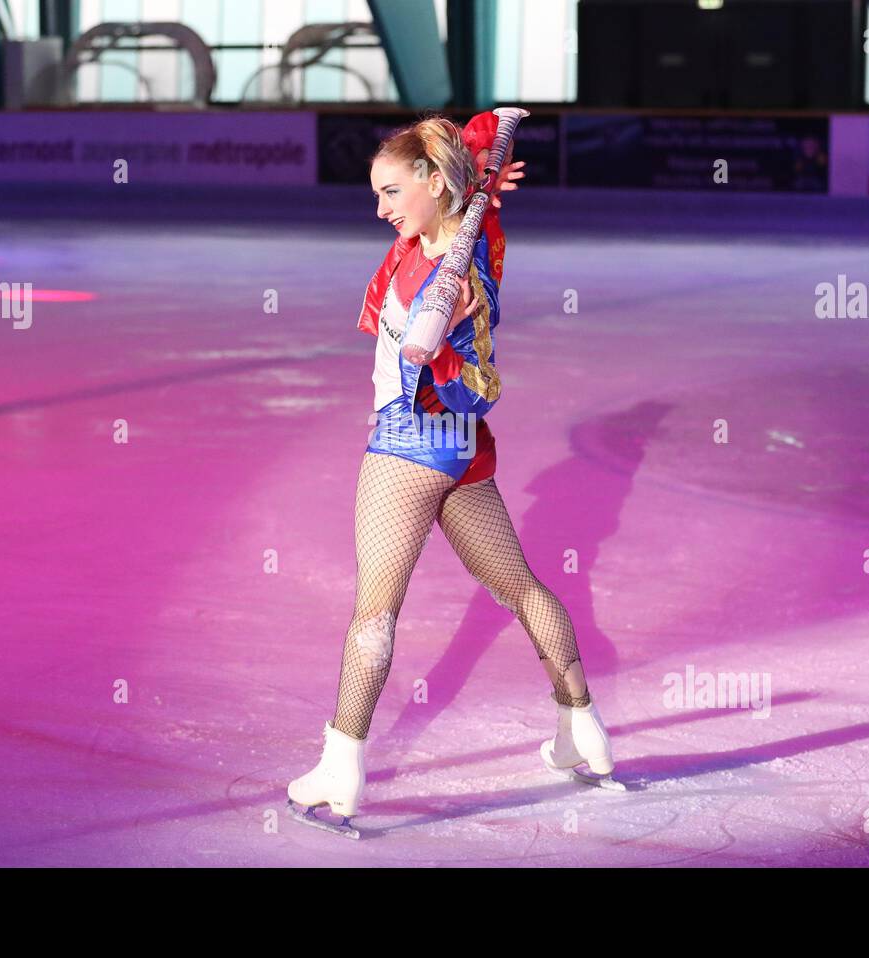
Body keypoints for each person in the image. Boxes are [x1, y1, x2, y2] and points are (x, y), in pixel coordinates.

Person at [286, 111, 622, 838]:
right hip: (465, 456)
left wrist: (441, 355)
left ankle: (341, 765)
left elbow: (476, 386)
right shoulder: (475, 234)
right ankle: (583, 730)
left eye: (390, 192)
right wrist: (481, 167)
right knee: (522, 587)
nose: (380, 209)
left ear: (433, 185)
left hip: (410, 448)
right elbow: (459, 176)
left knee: (374, 613)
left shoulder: (457, 280)